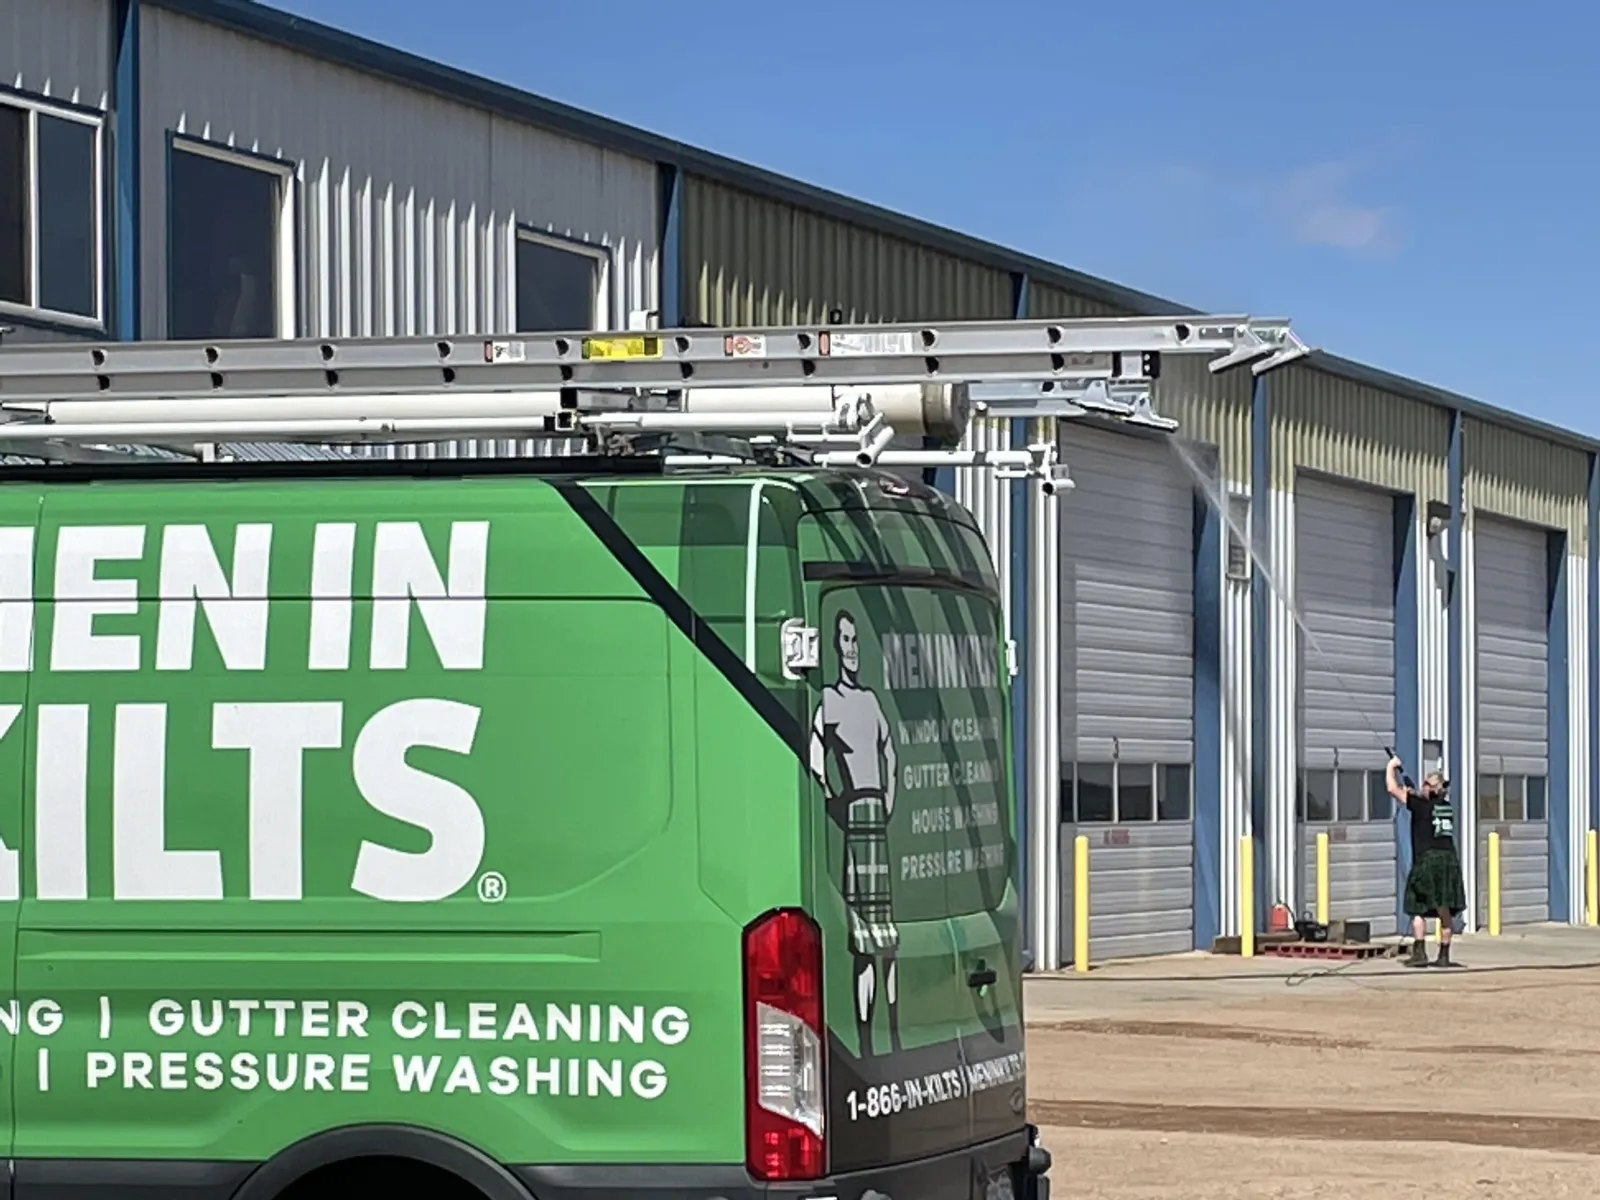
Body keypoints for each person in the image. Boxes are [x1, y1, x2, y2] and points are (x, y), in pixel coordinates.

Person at [808, 609, 901, 1054]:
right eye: (843, 640)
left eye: (854, 641)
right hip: (855, 814)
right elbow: (814, 752)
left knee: (888, 934)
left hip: (874, 812)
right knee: (864, 934)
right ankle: (868, 1036)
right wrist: (832, 797)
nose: (850, 648)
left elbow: (890, 751)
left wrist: (889, 797)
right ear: (833, 646)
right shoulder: (829, 700)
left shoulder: (869, 701)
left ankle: (894, 1032)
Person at [1386, 756, 1467, 968]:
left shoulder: (1421, 806)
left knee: (1417, 908)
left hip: (1427, 860)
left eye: (1425, 783)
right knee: (1444, 909)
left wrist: (1391, 767)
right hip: (1449, 860)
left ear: (1430, 788)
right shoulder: (1446, 807)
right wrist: (1415, 793)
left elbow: (1392, 789)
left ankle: (1420, 952)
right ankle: (1443, 956)